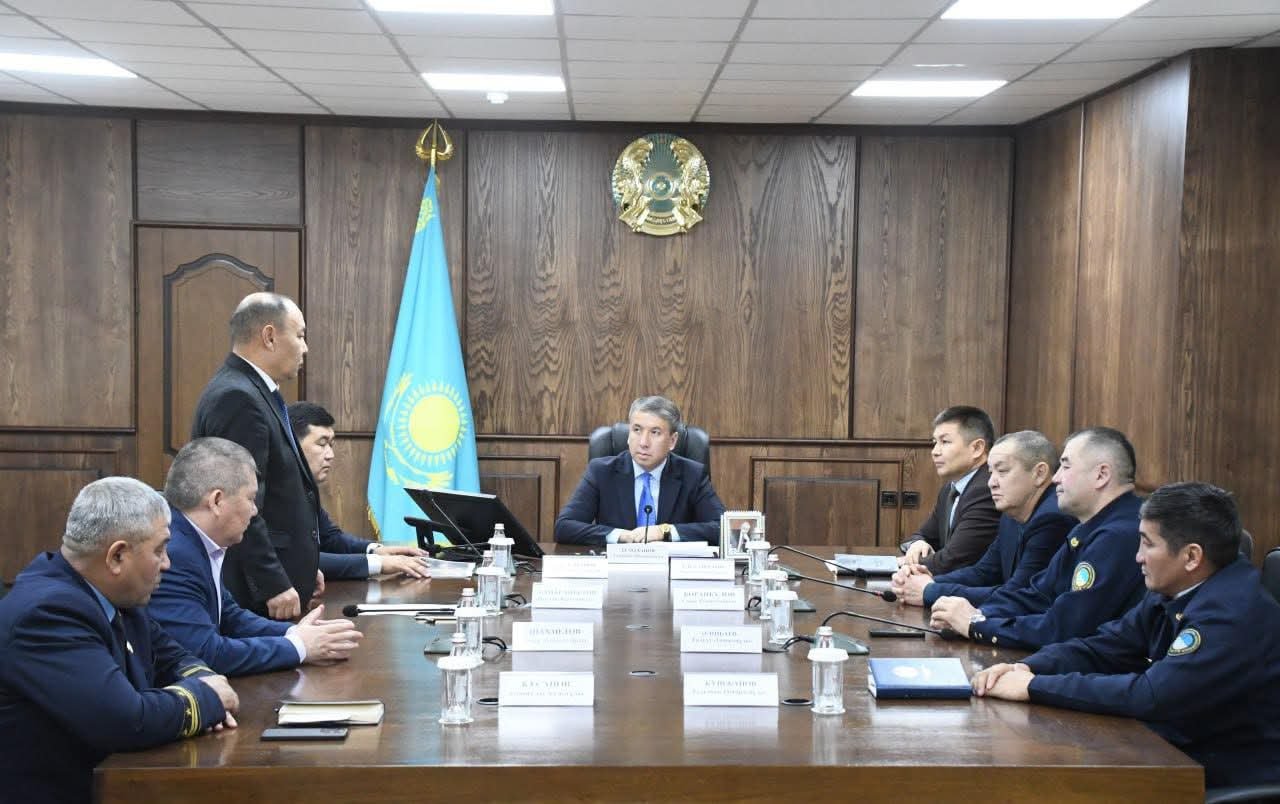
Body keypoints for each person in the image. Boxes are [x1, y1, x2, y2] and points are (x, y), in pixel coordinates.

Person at [973, 482, 1280, 788]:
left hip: (1223, 773)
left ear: (1191, 557)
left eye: (1148, 544)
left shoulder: (1230, 613)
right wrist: (1028, 667)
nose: (1138, 557)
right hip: (1173, 749)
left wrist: (1034, 687)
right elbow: (1105, 646)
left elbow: (1151, 695)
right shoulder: (1176, 588)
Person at [0, 477, 238, 803]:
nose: (167, 563)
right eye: (159, 550)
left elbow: (173, 657)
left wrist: (205, 681)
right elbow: (126, 720)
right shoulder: (48, 614)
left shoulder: (114, 595)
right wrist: (208, 699)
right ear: (117, 557)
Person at [148, 438, 365, 676]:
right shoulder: (175, 555)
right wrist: (299, 647)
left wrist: (294, 633)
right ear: (217, 501)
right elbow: (205, 653)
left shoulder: (196, 539)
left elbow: (229, 616)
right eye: (251, 499)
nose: (254, 511)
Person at [931, 426, 1146, 649]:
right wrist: (975, 615)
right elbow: (1037, 595)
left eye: (1065, 466)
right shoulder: (1087, 528)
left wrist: (977, 623)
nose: (1056, 478)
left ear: (1101, 475)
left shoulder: (1118, 536)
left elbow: (1063, 628)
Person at [190, 292, 318, 620]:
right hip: (255, 594)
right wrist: (272, 582)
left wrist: (304, 565)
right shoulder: (238, 398)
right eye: (300, 336)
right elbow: (239, 503)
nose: (305, 348)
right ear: (269, 337)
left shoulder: (253, 391)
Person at [892, 431, 1075, 607]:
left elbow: (1018, 594)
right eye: (990, 472)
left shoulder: (1052, 519)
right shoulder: (1012, 513)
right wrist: (926, 580)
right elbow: (984, 572)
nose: (991, 483)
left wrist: (930, 591)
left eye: (1002, 471)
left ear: (1039, 473)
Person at [554, 395, 726, 546]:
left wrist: (664, 531)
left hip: (669, 568)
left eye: (655, 432)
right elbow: (564, 527)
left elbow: (724, 528)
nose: (643, 442)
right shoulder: (601, 471)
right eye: (637, 430)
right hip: (617, 568)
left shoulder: (692, 474)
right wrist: (620, 536)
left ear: (672, 441)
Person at [288, 401, 429, 580]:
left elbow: (331, 539)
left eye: (331, 445)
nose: (330, 455)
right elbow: (297, 560)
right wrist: (379, 563)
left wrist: (376, 550)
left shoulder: (305, 487)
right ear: (293, 445)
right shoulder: (276, 492)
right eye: (322, 444)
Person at [899, 406, 1001, 575]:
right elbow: (922, 535)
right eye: (934, 442)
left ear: (977, 448)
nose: (934, 452)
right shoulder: (950, 488)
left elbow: (952, 561)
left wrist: (906, 563)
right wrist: (917, 544)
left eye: (945, 442)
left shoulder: (987, 489)